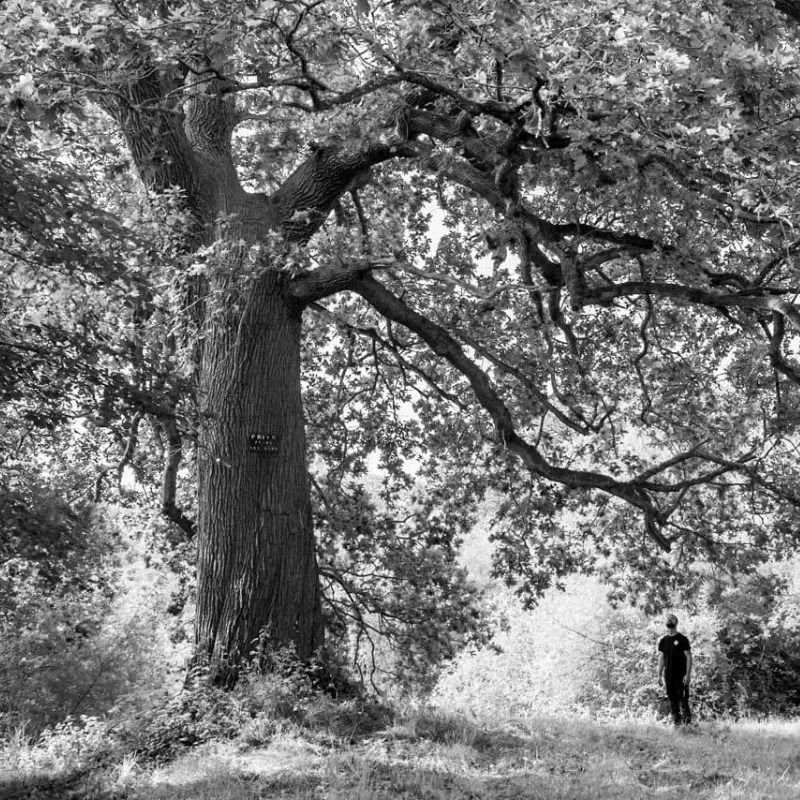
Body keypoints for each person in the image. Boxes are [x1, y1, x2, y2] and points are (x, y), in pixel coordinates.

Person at [657, 614, 693, 726]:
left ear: (676, 623)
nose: (669, 620)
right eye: (668, 619)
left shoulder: (682, 639)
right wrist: (659, 675)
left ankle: (688, 727)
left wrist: (687, 674)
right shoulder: (663, 640)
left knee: (683, 702)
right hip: (669, 676)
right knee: (673, 703)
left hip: (681, 676)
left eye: (672, 619)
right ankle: (677, 726)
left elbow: (689, 656)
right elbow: (661, 658)